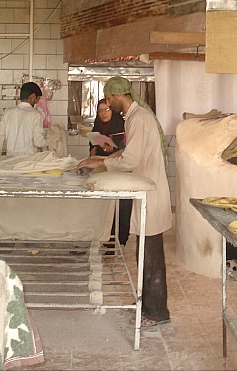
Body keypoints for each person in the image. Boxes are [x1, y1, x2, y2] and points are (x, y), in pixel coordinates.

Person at [78, 77, 172, 327]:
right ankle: (148, 306)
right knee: (145, 254)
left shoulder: (138, 118)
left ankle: (157, 312)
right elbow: (129, 154)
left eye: (109, 99)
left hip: (151, 192)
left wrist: (102, 163)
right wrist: (100, 161)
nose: (108, 104)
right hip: (146, 189)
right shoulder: (135, 117)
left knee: (150, 258)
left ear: (119, 96)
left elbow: (131, 161)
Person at [90, 98, 132, 248]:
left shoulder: (120, 124)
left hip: (119, 169)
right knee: (104, 205)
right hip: (102, 168)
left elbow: (126, 148)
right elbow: (93, 140)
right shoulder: (98, 124)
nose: (103, 113)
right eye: (100, 110)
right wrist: (93, 150)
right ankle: (104, 237)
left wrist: (112, 150)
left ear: (112, 110)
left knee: (119, 206)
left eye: (106, 110)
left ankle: (118, 239)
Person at [0, 82, 48, 156]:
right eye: (37, 100)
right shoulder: (36, 114)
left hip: (10, 158)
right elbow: (38, 142)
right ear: (33, 96)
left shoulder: (7, 112)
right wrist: (50, 141)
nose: (37, 103)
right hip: (28, 159)